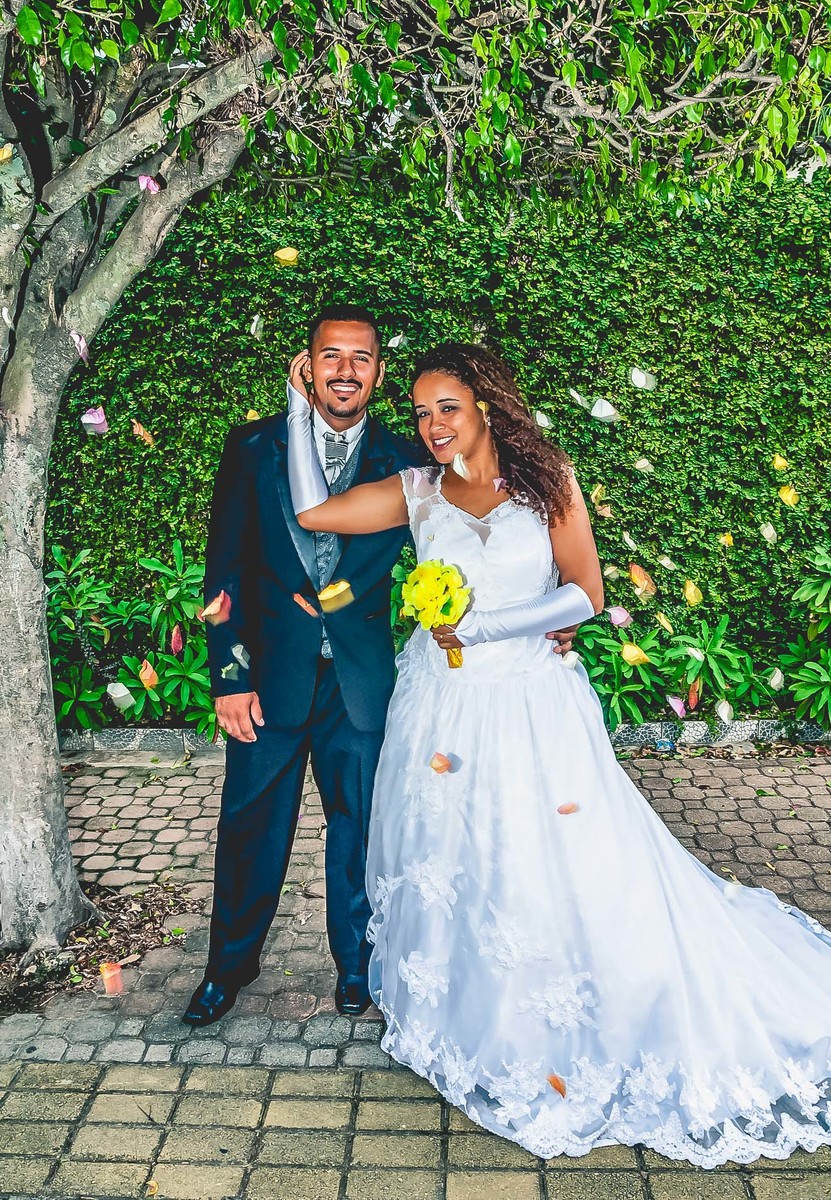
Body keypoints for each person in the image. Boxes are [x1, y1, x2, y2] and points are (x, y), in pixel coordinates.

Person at [286, 340, 831, 1167]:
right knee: (455, 853)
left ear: (486, 406)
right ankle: (466, 1014)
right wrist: (298, 407)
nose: (433, 425)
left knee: (551, 859)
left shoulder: (546, 483)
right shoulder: (416, 493)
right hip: (439, 708)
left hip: (533, 703)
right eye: (423, 410)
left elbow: (585, 594)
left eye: (448, 407)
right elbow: (312, 513)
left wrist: (484, 625)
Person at [183, 304, 420, 1025]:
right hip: (268, 681)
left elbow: (403, 564)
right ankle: (227, 971)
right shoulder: (252, 447)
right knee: (251, 828)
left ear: (379, 373)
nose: (344, 371)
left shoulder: (408, 460)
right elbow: (221, 576)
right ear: (306, 364)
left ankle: (358, 969)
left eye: (360, 358)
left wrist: (333, 595)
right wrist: (229, 678)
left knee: (360, 833)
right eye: (331, 356)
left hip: (359, 682)